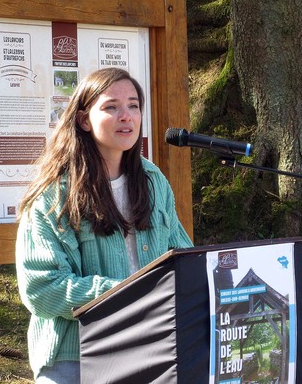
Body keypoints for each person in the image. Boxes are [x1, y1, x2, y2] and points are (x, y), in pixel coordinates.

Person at [16, 67, 193, 383]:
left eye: (134, 105)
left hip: (149, 348)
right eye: (112, 107)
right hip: (77, 358)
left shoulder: (154, 181)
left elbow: (184, 260)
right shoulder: (54, 193)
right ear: (84, 120)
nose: (126, 116)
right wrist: (124, 291)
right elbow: (41, 289)